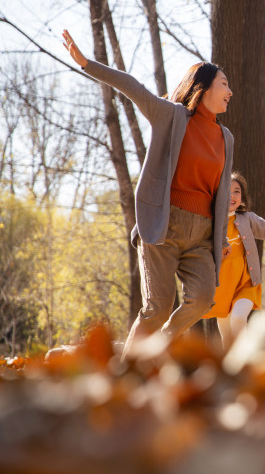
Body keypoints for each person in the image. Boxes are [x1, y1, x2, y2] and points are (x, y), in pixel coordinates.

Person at [62, 29, 234, 359]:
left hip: (201, 235)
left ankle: (154, 348)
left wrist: (220, 240)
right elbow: (132, 87)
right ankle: (125, 374)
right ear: (205, 85)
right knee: (156, 308)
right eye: (224, 84)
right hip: (164, 226)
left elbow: (221, 191)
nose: (230, 91)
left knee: (201, 300)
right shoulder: (171, 116)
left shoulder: (226, 137)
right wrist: (87, 64)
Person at [204, 172, 265, 349]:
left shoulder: (247, 219)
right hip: (221, 288)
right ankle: (232, 369)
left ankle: (247, 356)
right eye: (227, 191)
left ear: (242, 196)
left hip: (246, 284)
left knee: (239, 319)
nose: (232, 196)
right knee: (227, 337)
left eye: (237, 191)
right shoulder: (210, 222)